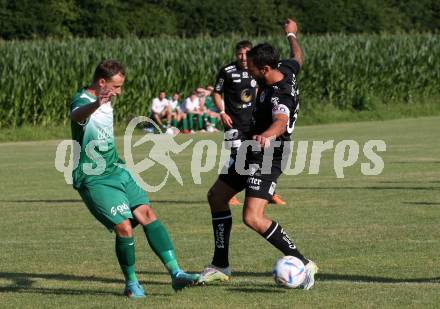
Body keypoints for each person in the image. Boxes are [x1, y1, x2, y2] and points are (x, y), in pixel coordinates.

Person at [199, 19, 318, 290]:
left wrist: (269, 134)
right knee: (216, 196)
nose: (248, 72)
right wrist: (291, 34)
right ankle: (220, 265)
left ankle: (303, 262)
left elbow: (280, 119)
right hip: (251, 149)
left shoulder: (280, 93)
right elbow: (298, 56)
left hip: (270, 153)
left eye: (251, 69)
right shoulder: (285, 69)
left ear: (264, 69)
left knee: (252, 217)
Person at [69, 60, 199, 299]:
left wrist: (103, 102)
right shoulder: (83, 101)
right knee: (124, 227)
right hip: (94, 177)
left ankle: (176, 274)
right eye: (116, 86)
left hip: (117, 170)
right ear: (101, 83)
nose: (119, 91)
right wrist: (97, 103)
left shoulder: (107, 101)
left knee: (147, 214)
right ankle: (131, 284)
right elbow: (77, 115)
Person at [212, 40, 286, 206]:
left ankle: (269, 192)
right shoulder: (227, 71)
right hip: (233, 123)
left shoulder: (257, 71)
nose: (243, 57)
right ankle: (228, 192)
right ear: (236, 54)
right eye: (240, 54)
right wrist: (222, 112)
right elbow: (216, 93)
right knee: (236, 156)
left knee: (258, 158)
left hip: (253, 124)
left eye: (246, 54)